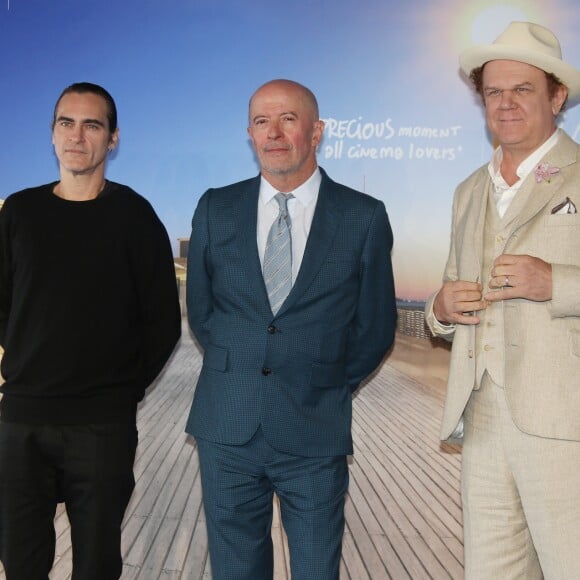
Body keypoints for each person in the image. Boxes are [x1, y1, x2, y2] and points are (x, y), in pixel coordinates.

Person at [185, 79, 396, 579]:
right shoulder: (215, 207)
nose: (274, 133)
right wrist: (242, 367)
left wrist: (326, 381)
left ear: (317, 131)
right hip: (227, 428)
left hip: (314, 426)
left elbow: (375, 326)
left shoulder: (363, 217)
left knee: (316, 569)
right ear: (249, 134)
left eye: (288, 119)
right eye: (261, 121)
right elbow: (203, 313)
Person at [0, 82, 181, 579]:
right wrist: (27, 354)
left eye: (92, 125)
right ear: (53, 135)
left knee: (97, 565)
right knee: (19, 562)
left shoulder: (136, 217)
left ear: (113, 138)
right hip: (21, 420)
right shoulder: (19, 212)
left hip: (101, 425)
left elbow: (163, 321)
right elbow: (3, 303)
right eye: (66, 123)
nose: (77, 135)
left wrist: (118, 390)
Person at [425, 22, 580, 579]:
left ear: (557, 96)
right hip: (482, 417)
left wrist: (555, 283)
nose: (506, 104)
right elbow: (444, 297)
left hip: (568, 424)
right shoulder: (468, 190)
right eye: (494, 92)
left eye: (522, 90)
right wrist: (440, 309)